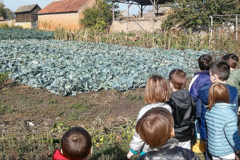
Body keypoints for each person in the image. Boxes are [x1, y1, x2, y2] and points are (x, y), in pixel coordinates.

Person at [197, 60, 238, 160]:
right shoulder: (233, 91)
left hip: (209, 131)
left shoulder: (203, 91)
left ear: (214, 76)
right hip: (226, 132)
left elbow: (198, 111)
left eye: (210, 74)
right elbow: (234, 109)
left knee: (210, 154)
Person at [127, 75, 172, 159]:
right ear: (165, 90)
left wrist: (133, 150)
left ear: (148, 91)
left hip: (148, 149)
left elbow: (140, 133)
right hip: (165, 148)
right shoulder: (168, 108)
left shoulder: (145, 111)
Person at [205, 83, 240, 160]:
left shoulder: (208, 112)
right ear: (226, 95)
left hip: (213, 150)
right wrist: (238, 147)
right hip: (226, 152)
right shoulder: (230, 115)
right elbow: (232, 136)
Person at [167, 69, 196, 150]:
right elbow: (193, 116)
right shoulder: (190, 98)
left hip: (174, 135)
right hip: (187, 133)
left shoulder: (170, 101)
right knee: (185, 155)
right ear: (185, 83)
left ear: (170, 83)